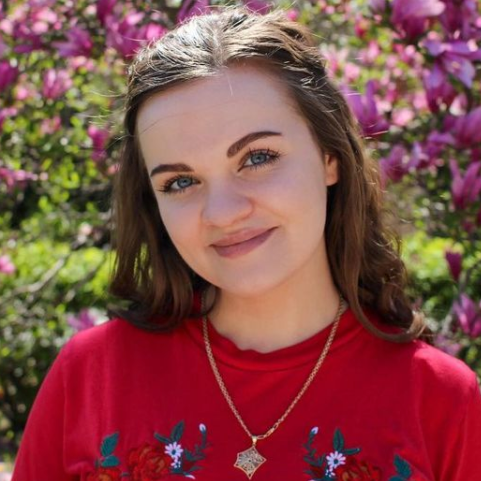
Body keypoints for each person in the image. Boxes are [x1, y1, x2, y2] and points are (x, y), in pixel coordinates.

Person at [12, 7, 481, 481]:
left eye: (257, 157)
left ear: (329, 157)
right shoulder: (91, 378)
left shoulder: (440, 400)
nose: (222, 212)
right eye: (179, 182)